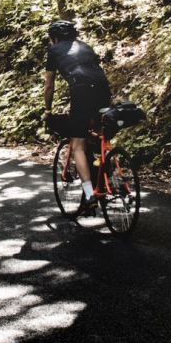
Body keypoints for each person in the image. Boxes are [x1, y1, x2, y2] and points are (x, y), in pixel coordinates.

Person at [42, 19, 112, 216]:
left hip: (81, 90)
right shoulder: (85, 46)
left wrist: (47, 109)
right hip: (103, 88)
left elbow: (49, 85)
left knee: (78, 144)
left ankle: (89, 195)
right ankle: (106, 170)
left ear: (54, 38)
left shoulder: (54, 50)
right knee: (99, 135)